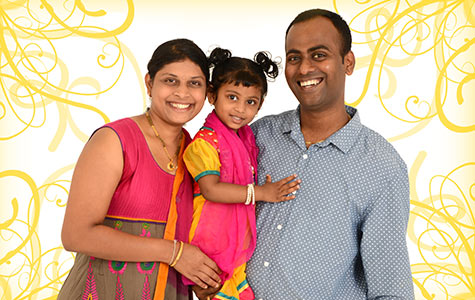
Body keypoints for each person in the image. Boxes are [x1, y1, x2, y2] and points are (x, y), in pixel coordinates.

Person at [246, 9, 415, 299]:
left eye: (319, 55)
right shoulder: (260, 136)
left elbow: (390, 289)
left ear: (347, 62)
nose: (303, 69)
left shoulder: (381, 165)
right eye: (294, 57)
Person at [58, 39, 222, 300]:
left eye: (194, 83)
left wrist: (199, 278)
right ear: (149, 83)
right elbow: (76, 235)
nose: (182, 93)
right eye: (170, 80)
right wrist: (174, 253)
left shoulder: (199, 153)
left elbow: (193, 235)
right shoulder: (115, 140)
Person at [182, 48, 300, 300]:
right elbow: (210, 189)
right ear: (212, 95)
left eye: (250, 102)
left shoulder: (246, 139)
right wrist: (260, 193)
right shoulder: (205, 143)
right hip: (210, 245)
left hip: (235, 245)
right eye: (232, 97)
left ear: (260, 105)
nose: (240, 109)